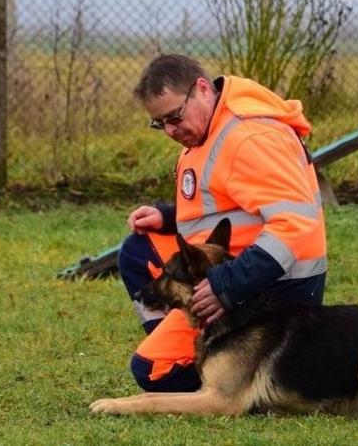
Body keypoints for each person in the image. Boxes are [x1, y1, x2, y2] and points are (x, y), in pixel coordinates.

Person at [117, 54, 327, 392]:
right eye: (160, 123)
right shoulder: (212, 125)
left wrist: (224, 286)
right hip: (226, 265)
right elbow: (229, 201)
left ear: (202, 89)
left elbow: (294, 224)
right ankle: (201, 347)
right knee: (138, 251)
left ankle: (233, 375)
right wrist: (169, 217)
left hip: (274, 288)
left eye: (174, 117)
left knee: (152, 370)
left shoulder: (250, 137)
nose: (170, 130)